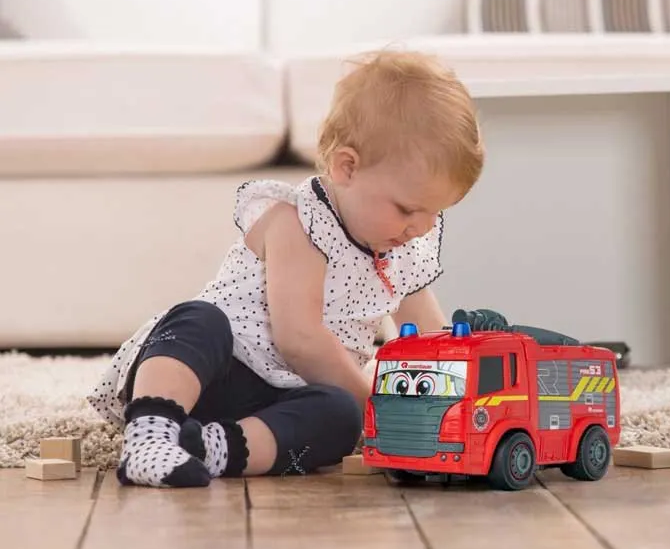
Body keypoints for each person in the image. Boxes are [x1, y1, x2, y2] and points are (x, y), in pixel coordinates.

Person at [87, 49, 484, 488]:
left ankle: (207, 448)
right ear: (347, 168)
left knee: (340, 415)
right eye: (408, 209)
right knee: (200, 320)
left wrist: (465, 401)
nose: (422, 227)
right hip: (212, 371)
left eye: (435, 212)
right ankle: (152, 433)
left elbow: (433, 342)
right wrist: (379, 409)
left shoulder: (400, 252)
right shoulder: (297, 220)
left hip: (278, 403)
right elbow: (300, 341)